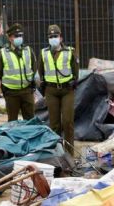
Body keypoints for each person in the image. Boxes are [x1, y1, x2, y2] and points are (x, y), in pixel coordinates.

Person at [38, 24, 79, 156]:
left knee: (67, 122)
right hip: (51, 90)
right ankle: (57, 154)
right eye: (51, 37)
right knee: (54, 124)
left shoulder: (70, 51)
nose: (53, 38)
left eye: (55, 36)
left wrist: (73, 83)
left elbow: (75, 71)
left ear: (61, 38)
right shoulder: (43, 53)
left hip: (67, 90)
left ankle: (69, 154)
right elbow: (41, 71)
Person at [0, 23, 36, 121]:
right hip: (11, 92)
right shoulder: (3, 52)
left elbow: (34, 68)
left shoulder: (28, 50)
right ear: (9, 38)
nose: (19, 38)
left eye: (20, 36)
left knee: (30, 121)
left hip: (27, 91)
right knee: (12, 121)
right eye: (16, 36)